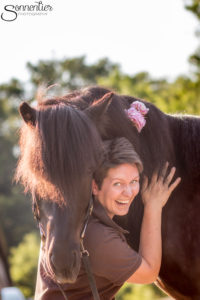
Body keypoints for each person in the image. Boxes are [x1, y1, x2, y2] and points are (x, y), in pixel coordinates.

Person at [35, 137, 181, 300]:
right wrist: (153, 206)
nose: (129, 192)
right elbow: (149, 273)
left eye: (134, 181)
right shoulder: (98, 238)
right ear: (95, 186)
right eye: (118, 184)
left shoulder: (78, 219)